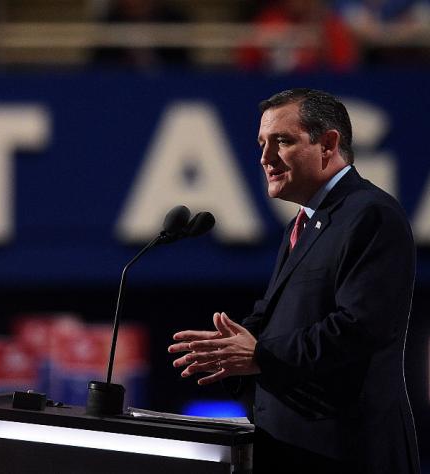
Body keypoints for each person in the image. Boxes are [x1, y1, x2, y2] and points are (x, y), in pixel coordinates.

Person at [168, 88, 419, 474]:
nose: (265, 158)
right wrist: (228, 349)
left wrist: (259, 356)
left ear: (328, 143)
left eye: (282, 141)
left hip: (346, 453)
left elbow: (359, 329)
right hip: (290, 449)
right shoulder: (299, 225)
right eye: (262, 143)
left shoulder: (372, 214)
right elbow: (275, 315)